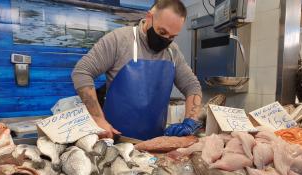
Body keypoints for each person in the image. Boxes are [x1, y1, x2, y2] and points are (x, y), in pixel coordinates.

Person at [72, 0, 203, 140]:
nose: (165, 40)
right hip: (115, 139)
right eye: (162, 32)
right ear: (149, 17)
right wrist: (98, 118)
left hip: (155, 141)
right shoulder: (119, 39)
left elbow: (192, 86)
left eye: (172, 37)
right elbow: (82, 72)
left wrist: (190, 120)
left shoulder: (172, 52)